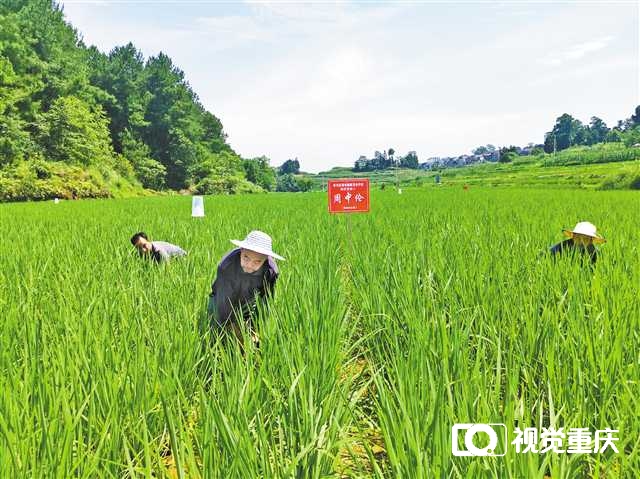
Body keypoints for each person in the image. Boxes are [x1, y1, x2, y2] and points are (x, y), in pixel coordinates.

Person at [208, 230, 284, 344]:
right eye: (246, 258)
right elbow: (223, 305)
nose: (249, 265)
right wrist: (240, 336)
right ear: (241, 250)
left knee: (249, 326)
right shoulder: (226, 266)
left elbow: (265, 302)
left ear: (266, 259)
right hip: (220, 297)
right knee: (217, 321)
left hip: (248, 298)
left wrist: (254, 329)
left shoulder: (270, 272)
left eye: (256, 262)